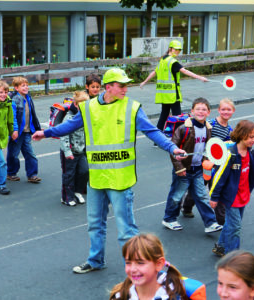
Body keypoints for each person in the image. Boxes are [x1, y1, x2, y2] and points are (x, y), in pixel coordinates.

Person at [32, 68, 185, 274]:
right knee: (95, 225)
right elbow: (69, 126)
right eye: (121, 85)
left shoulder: (131, 108)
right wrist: (46, 133)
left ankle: (136, 270)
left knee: (126, 231)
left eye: (126, 85)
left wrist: (172, 148)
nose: (125, 88)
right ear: (108, 87)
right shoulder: (88, 108)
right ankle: (95, 260)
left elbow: (152, 131)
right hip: (96, 178)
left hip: (120, 179)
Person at [162, 97, 222, 233]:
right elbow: (173, 149)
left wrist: (206, 161)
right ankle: (169, 219)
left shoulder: (208, 128)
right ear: (192, 111)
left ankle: (210, 223)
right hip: (184, 169)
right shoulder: (184, 129)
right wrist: (179, 168)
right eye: (198, 109)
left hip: (198, 169)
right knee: (177, 196)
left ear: (208, 112)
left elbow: (208, 148)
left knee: (202, 196)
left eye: (204, 109)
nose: (201, 112)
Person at [140, 40, 208, 141]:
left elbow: (155, 72)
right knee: (178, 117)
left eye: (179, 50)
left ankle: (157, 139)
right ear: (170, 49)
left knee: (163, 115)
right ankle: (178, 139)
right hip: (172, 94)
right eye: (176, 49)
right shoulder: (172, 62)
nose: (177, 52)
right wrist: (200, 77)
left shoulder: (163, 60)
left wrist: (144, 82)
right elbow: (184, 71)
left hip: (164, 94)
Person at [210, 120, 254, 257]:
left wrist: (250, 188)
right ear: (241, 135)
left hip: (243, 194)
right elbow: (219, 176)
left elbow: (251, 171)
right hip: (231, 197)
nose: (253, 140)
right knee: (236, 227)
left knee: (231, 224)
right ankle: (233, 258)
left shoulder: (251, 152)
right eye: (250, 137)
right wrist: (214, 197)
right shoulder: (230, 154)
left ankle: (221, 246)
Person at [183, 98, 236, 224]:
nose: (225, 112)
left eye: (228, 110)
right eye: (223, 109)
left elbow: (227, 147)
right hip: (205, 163)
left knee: (216, 190)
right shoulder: (210, 124)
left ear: (233, 111)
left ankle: (221, 220)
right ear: (218, 110)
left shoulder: (229, 130)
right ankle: (187, 207)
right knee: (199, 188)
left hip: (217, 165)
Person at [109, 234, 206, 300]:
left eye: (140, 263)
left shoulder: (174, 294)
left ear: (159, 264)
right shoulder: (120, 296)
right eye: (128, 262)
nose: (133, 269)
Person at [60, 74, 101, 206]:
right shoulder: (70, 118)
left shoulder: (86, 116)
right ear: (76, 105)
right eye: (82, 104)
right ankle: (67, 197)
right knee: (69, 175)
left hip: (82, 150)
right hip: (70, 152)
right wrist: (67, 152)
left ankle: (78, 192)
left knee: (84, 171)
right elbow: (64, 135)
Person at [6, 77, 41, 183]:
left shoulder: (28, 97)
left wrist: (37, 128)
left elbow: (32, 115)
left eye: (26, 85)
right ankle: (11, 173)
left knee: (30, 154)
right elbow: (13, 117)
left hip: (26, 131)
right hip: (17, 132)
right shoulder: (15, 99)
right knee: (13, 154)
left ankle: (32, 175)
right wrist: (14, 131)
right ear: (16, 88)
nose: (26, 87)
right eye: (23, 85)